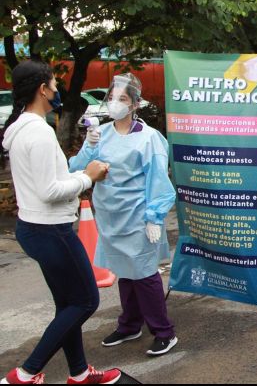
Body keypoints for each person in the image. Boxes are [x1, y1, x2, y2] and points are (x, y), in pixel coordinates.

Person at [1, 61, 121, 385]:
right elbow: (50, 190)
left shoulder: (24, 128)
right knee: (86, 300)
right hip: (50, 230)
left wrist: (86, 156)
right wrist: (88, 177)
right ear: (43, 89)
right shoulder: (39, 132)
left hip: (35, 228)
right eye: (55, 85)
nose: (58, 91)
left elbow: (55, 174)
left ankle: (79, 372)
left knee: (67, 304)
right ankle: (26, 373)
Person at [69, 74, 177, 357]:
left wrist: (154, 216)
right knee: (124, 271)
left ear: (135, 104)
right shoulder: (101, 134)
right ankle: (130, 324)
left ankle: (164, 332)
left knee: (144, 274)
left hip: (138, 217)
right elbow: (77, 169)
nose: (115, 103)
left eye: (123, 98)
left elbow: (158, 179)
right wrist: (89, 145)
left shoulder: (149, 138)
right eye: (112, 97)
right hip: (109, 216)